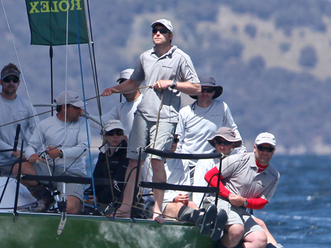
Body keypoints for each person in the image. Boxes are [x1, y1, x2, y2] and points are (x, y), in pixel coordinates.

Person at [101, 18, 201, 220]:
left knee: (156, 162)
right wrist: (114, 89)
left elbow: (196, 87)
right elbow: (133, 82)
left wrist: (172, 83)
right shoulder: (144, 57)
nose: (157, 33)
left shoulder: (181, 58)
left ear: (170, 35)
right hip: (143, 114)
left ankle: (157, 210)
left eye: (162, 31)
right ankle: (125, 208)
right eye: (155, 30)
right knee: (133, 162)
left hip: (166, 117)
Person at [202, 132, 283, 248]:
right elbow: (211, 176)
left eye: (269, 149)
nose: (265, 152)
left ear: (274, 151)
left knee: (260, 239)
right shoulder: (239, 160)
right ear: (254, 147)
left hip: (241, 207)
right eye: (261, 148)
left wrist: (244, 202)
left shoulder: (273, 175)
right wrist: (228, 195)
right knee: (236, 229)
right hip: (221, 200)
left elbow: (263, 202)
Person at [21, 90, 89, 214]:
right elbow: (31, 145)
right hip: (50, 169)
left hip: (73, 173)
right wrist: (31, 155)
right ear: (64, 107)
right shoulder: (45, 124)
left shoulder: (83, 123)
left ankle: (77, 202)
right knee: (20, 168)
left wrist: (60, 153)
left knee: (70, 209)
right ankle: (45, 198)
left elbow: (85, 148)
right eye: (77, 108)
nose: (81, 111)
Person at [174, 76, 238, 185]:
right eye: (202, 90)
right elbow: (178, 139)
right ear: (196, 91)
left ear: (214, 93)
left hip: (212, 163)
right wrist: (176, 162)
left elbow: (233, 130)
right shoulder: (185, 112)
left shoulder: (222, 107)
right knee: (186, 197)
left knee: (209, 197)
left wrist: (242, 153)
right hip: (187, 164)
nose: (205, 93)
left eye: (209, 90)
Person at [0, 63, 37, 172]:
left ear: (19, 83)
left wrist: (35, 152)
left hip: (23, 162)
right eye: (7, 79)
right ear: (1, 82)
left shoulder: (27, 105)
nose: (11, 83)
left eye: (14, 80)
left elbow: (38, 131)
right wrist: (14, 152)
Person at [91, 119, 129, 210]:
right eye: (111, 133)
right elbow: (96, 177)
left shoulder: (128, 154)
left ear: (123, 136)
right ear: (105, 136)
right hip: (104, 200)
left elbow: (119, 182)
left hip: (120, 201)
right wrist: (90, 194)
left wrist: (99, 198)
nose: (115, 136)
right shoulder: (103, 153)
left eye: (119, 133)